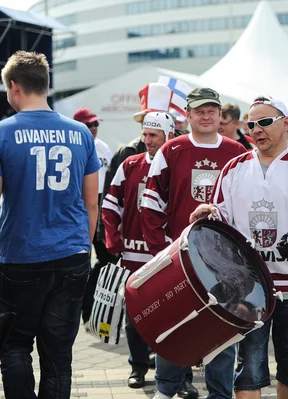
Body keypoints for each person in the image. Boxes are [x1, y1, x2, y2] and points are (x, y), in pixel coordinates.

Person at [189, 95, 288, 399]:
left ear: (284, 123)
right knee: (248, 372)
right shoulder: (233, 168)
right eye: (252, 124)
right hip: (248, 287)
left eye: (265, 122)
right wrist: (208, 215)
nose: (257, 129)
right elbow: (221, 214)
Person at [0, 51, 100, 399]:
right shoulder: (81, 134)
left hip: (20, 256)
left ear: (14, 87)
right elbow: (91, 203)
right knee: (58, 356)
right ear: (44, 85)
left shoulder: (3, 133)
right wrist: (82, 248)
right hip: (72, 253)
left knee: (14, 347)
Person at [141, 88, 246, 399]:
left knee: (223, 328)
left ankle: (219, 393)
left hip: (224, 260)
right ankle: (166, 390)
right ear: (187, 115)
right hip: (180, 260)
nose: (206, 115)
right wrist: (160, 253)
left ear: (219, 115)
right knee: (174, 326)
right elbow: (150, 205)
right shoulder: (171, 151)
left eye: (212, 110)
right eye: (200, 110)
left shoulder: (237, 151)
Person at [102, 111, 175, 389]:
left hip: (168, 256)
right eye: (145, 134)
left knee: (172, 315)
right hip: (132, 255)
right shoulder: (130, 164)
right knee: (134, 318)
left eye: (153, 135)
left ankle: (180, 376)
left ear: (167, 135)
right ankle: (138, 367)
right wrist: (113, 243)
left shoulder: (176, 164)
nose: (147, 140)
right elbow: (110, 205)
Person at [73, 107, 115, 328]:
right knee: (83, 262)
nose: (93, 128)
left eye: (95, 124)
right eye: (89, 125)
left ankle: (95, 311)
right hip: (80, 204)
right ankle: (86, 309)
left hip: (101, 204)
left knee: (107, 260)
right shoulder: (75, 144)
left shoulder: (103, 147)